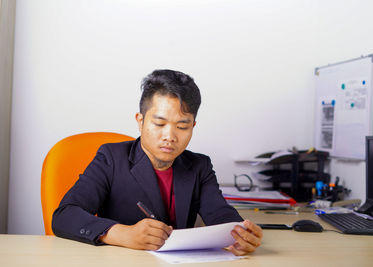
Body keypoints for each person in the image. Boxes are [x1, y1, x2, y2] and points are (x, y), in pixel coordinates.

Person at [52, 69, 262, 256]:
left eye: (182, 126)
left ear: (193, 126)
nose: (169, 136)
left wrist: (239, 234)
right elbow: (64, 215)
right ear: (140, 121)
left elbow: (219, 213)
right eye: (160, 123)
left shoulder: (199, 166)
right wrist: (121, 234)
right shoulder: (111, 158)